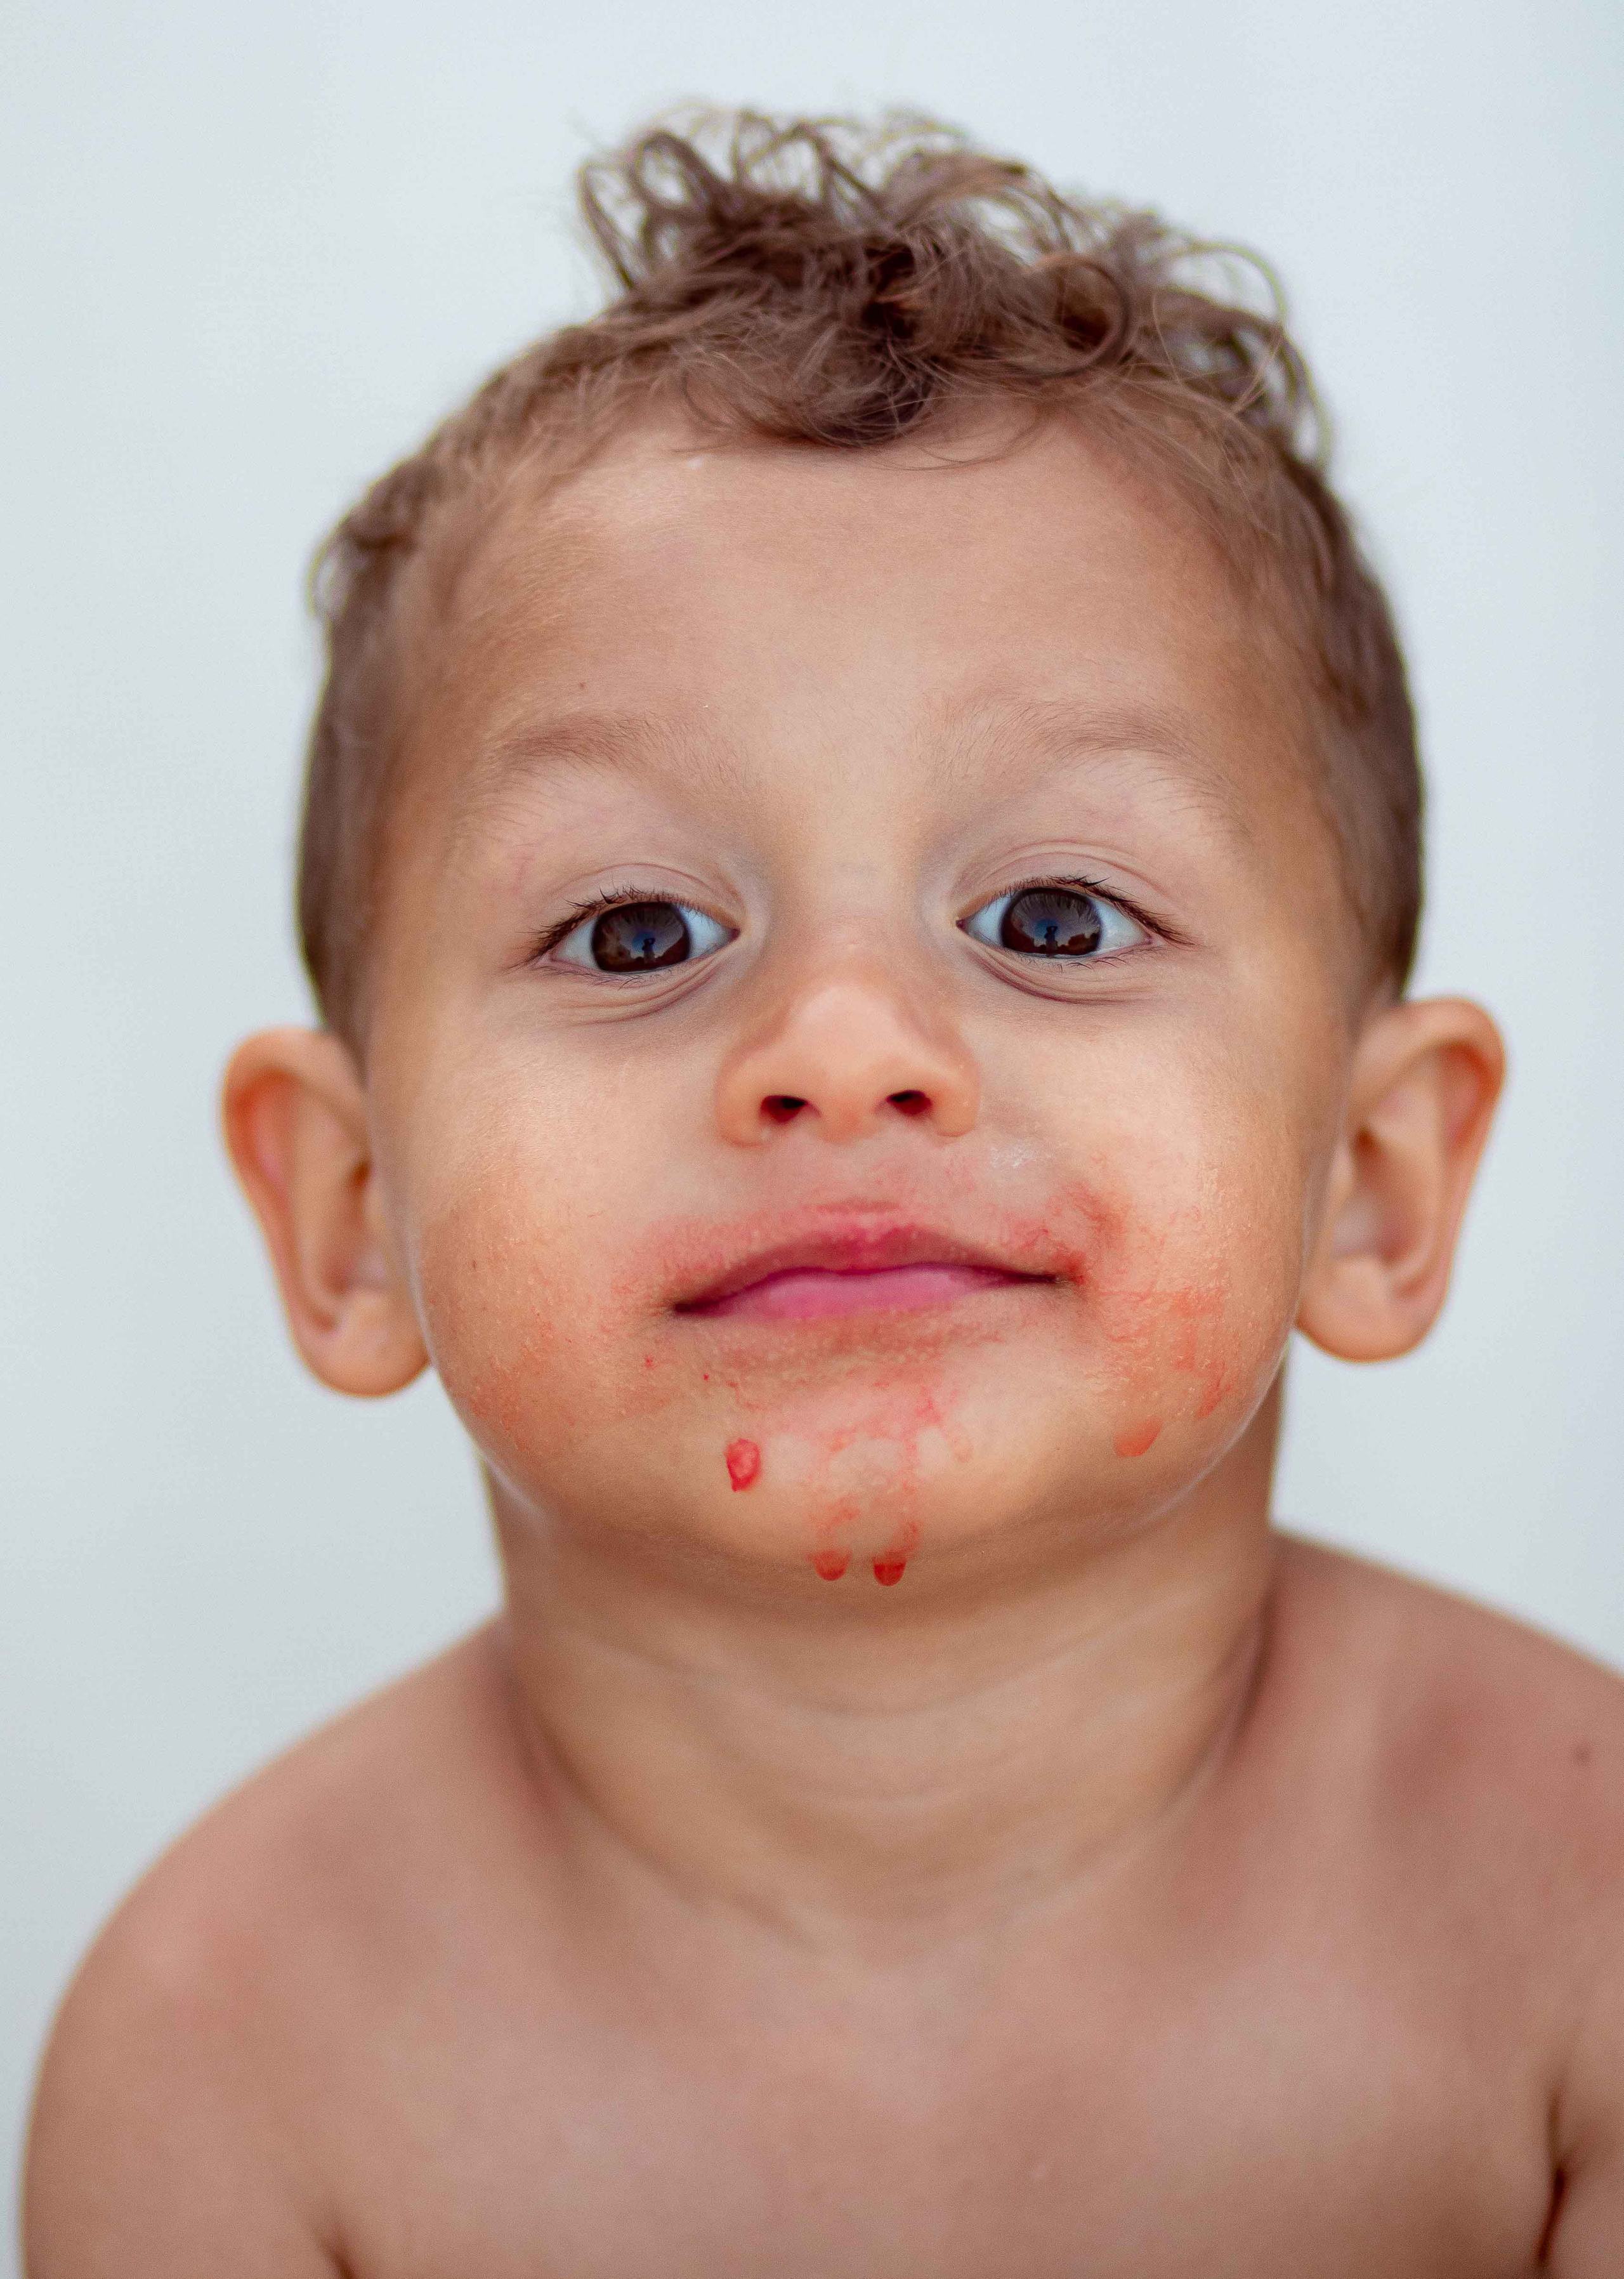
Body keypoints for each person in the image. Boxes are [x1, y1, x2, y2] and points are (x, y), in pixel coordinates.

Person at [23, 110, 1624, 2275]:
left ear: (1372, 1180)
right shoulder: (234, 2060)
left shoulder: (1577, 1915)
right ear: (348, 1214)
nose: (845, 1048)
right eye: (634, 936)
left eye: (1055, 916)